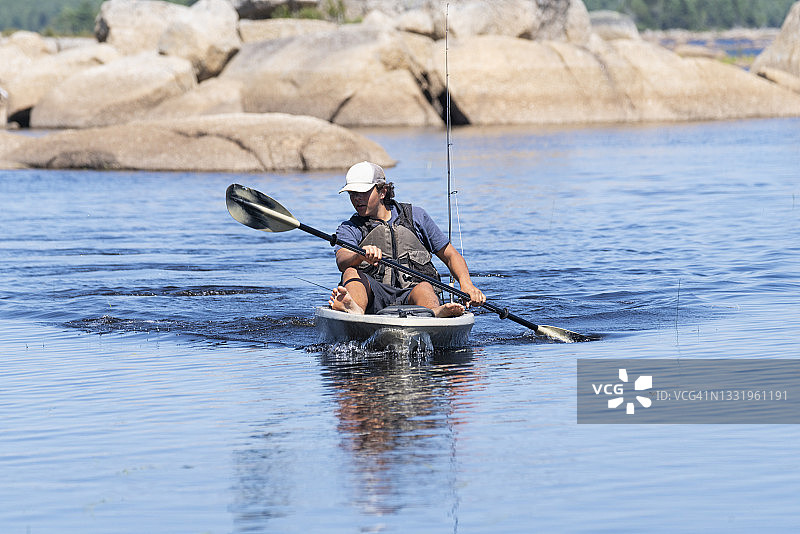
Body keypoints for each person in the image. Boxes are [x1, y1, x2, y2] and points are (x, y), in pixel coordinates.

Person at [328, 161, 485, 317]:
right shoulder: (349, 227)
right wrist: (359, 255)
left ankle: (434, 313)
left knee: (424, 286)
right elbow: (342, 260)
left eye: (363, 192)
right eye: (352, 194)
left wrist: (467, 285)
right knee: (350, 271)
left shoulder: (416, 217)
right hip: (374, 297)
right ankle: (354, 310)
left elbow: (451, 256)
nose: (357, 199)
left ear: (382, 191)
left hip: (413, 293)